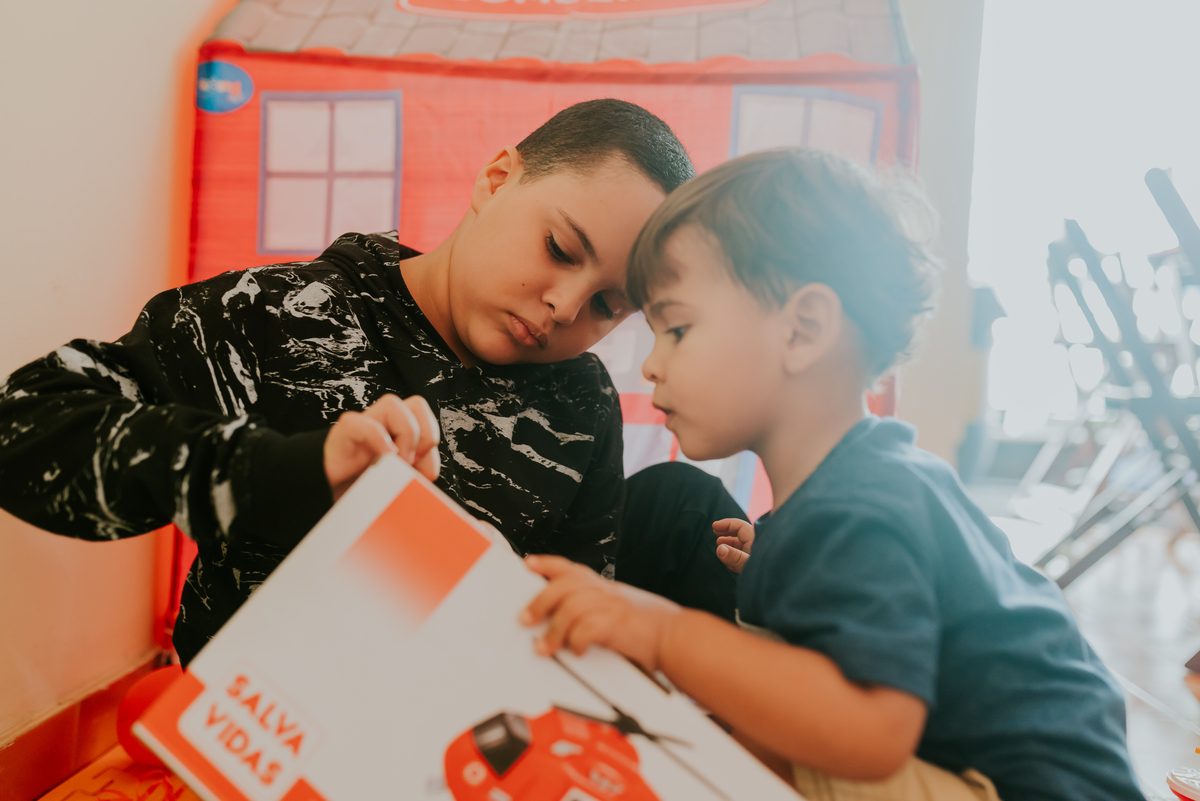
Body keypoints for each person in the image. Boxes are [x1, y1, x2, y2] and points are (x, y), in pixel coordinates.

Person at [0, 99, 738, 665]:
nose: (566, 306)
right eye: (559, 248)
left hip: (459, 747)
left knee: (685, 505)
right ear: (497, 179)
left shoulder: (581, 400)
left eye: (609, 306)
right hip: (257, 740)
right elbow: (22, 429)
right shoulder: (278, 314)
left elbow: (568, 626)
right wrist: (284, 471)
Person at [520, 149, 1145, 801]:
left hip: (1031, 789)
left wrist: (663, 633)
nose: (651, 365)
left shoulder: (863, 506)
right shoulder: (854, 490)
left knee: (753, 757)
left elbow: (872, 731)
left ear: (804, 330)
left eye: (676, 328)